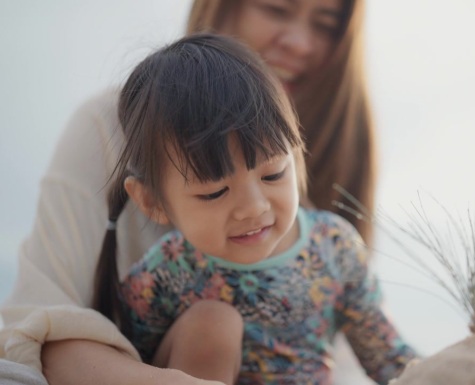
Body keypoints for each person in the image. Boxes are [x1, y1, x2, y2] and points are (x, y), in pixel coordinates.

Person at [0, 0, 377, 384]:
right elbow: (42, 327)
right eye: (276, 9)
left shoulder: (330, 227)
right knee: (214, 323)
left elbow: (364, 349)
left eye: (327, 24)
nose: (299, 43)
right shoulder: (108, 128)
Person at [99, 33, 415, 385]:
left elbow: (387, 358)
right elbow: (120, 362)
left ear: (295, 154)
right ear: (152, 202)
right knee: (213, 323)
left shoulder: (333, 245)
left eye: (273, 174)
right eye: (215, 192)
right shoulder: (166, 274)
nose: (253, 207)